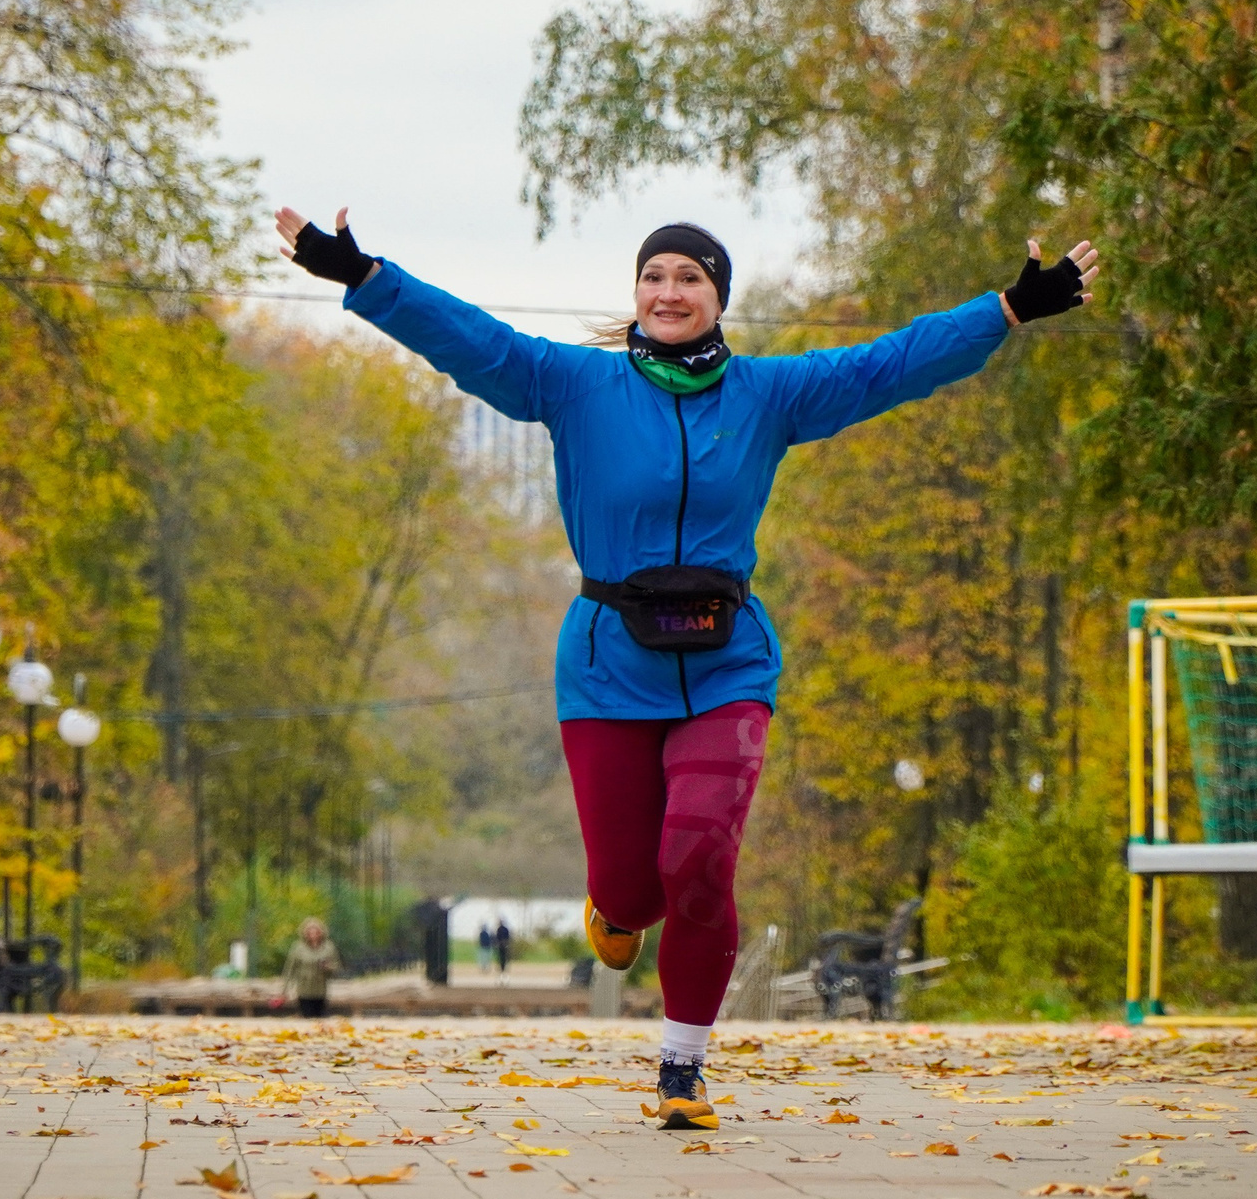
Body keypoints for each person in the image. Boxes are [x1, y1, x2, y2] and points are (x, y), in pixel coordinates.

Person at [274, 206, 1099, 1126]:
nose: (670, 293)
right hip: (607, 663)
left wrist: (1009, 310)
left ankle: (682, 1066)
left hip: (726, 662)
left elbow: (890, 363)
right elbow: (468, 336)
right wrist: (363, 274)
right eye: (655, 277)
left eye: (690, 278)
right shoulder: (570, 383)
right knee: (631, 891)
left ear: (718, 298)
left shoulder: (768, 395)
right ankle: (615, 907)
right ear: (636, 293)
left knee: (700, 854)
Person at [279, 918, 340, 1019]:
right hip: (304, 990)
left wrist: (328, 967)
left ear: (321, 932)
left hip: (321, 990)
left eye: (316, 931)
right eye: (310, 932)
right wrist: (284, 991)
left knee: (321, 1020)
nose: (313, 934)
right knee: (307, 1018)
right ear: (305, 933)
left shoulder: (328, 947)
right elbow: (289, 969)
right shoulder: (298, 948)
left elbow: (336, 966)